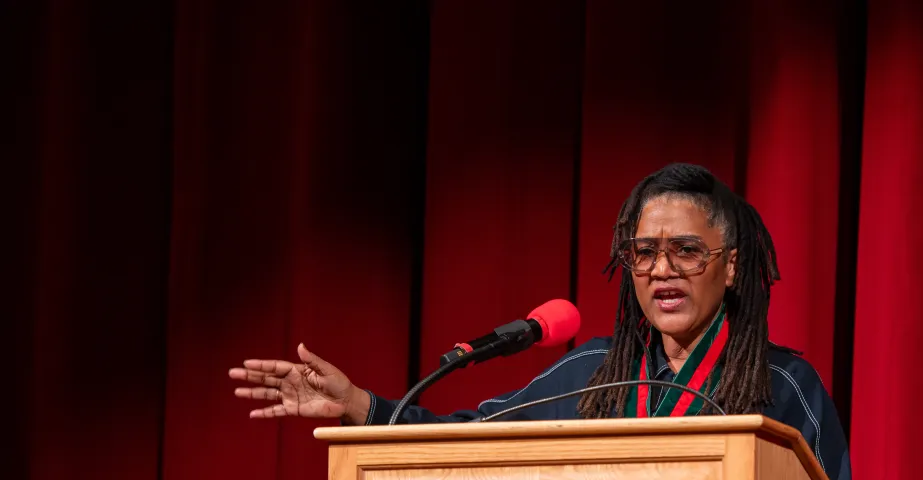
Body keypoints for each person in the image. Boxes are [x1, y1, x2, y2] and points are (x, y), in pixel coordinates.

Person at [229, 163, 851, 479]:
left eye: (687, 250)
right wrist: (359, 404)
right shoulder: (592, 371)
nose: (663, 269)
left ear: (733, 266)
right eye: (643, 253)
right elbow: (466, 445)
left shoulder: (787, 386)